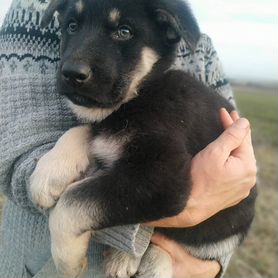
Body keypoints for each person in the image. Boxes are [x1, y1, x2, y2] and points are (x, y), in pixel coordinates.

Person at [0, 0, 256, 278]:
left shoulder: (191, 44)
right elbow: (18, 152)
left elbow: (240, 170)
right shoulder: (34, 6)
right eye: (72, 26)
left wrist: (209, 265)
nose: (77, 64)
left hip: (194, 250)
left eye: (123, 32)